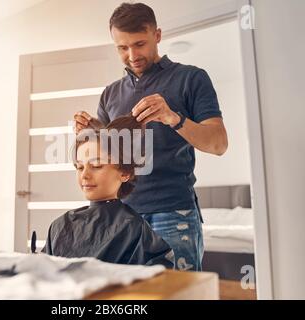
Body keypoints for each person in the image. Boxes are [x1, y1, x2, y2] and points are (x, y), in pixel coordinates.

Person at [73, 2, 228, 271]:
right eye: (122, 48)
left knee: (178, 294)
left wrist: (173, 118)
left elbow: (218, 144)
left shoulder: (191, 79)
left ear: (157, 35)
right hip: (120, 214)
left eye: (139, 44)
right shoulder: (110, 94)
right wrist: (91, 131)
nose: (132, 55)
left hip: (173, 212)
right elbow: (111, 157)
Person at [42, 115, 174, 268]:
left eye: (97, 166)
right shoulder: (60, 226)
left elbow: (158, 277)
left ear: (125, 173)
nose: (84, 175)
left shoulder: (132, 228)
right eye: (79, 167)